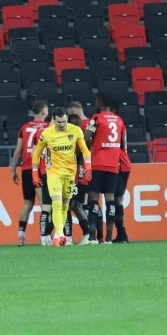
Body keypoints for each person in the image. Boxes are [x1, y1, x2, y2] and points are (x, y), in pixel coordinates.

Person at [31, 108, 92, 247]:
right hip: (54, 173)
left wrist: (88, 166)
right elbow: (36, 155)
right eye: (59, 122)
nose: (62, 124)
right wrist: (35, 173)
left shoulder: (75, 131)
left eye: (64, 121)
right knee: (56, 203)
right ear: (54, 120)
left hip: (70, 173)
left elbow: (85, 150)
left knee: (65, 206)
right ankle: (59, 235)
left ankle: (60, 234)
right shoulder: (46, 134)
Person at [84, 93, 126, 244]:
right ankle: (109, 237)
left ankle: (92, 236)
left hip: (98, 164)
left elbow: (84, 136)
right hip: (113, 165)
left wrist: (91, 142)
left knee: (93, 198)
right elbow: (123, 143)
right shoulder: (119, 120)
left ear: (100, 104)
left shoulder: (96, 118)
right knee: (110, 200)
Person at [10, 101, 52, 247]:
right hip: (40, 168)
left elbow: (17, 151)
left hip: (26, 168)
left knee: (28, 203)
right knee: (45, 204)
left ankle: (21, 236)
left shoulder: (25, 128)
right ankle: (44, 236)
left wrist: (13, 169)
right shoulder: (48, 127)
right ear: (44, 111)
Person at [69, 101, 105, 242]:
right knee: (92, 203)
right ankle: (99, 237)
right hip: (93, 167)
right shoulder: (92, 123)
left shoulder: (79, 126)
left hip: (81, 170)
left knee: (80, 204)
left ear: (73, 110)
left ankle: (90, 236)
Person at [68, 113, 91, 245]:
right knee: (75, 205)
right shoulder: (82, 136)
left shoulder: (77, 138)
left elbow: (75, 155)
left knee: (75, 205)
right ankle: (88, 234)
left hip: (78, 176)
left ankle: (88, 234)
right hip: (81, 175)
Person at [111, 99, 131, 243]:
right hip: (124, 163)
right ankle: (121, 234)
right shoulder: (120, 122)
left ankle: (122, 234)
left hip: (118, 163)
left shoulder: (110, 123)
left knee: (113, 199)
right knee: (116, 200)